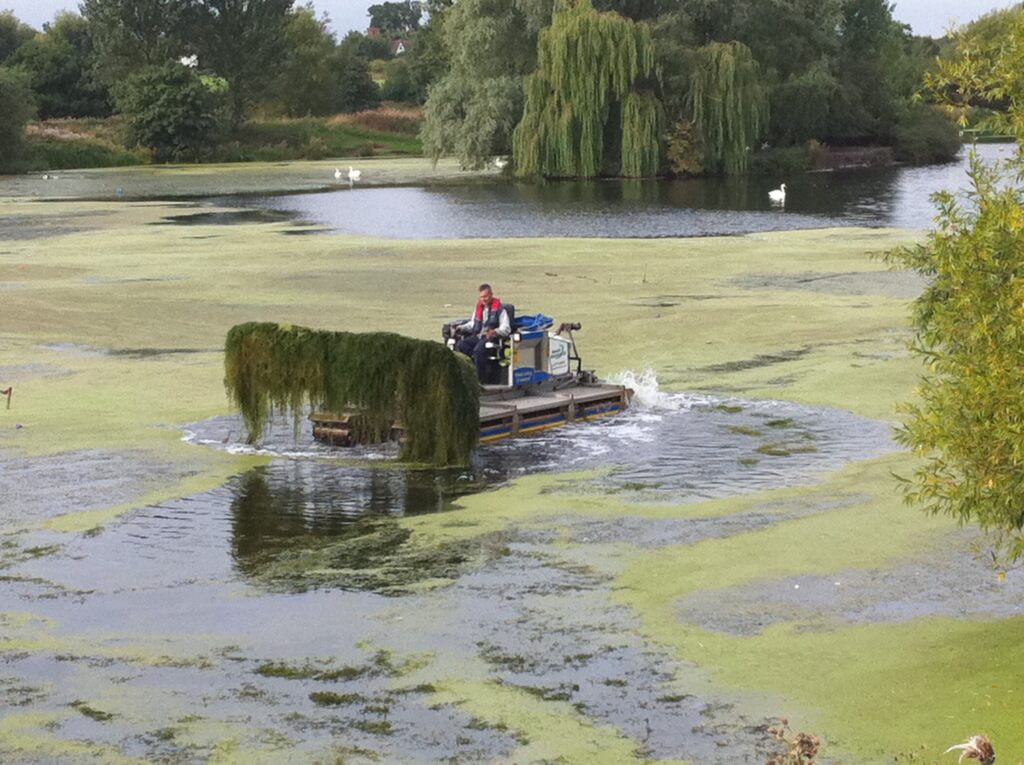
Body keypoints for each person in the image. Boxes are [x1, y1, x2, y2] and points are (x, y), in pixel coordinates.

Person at [455, 283, 511, 380]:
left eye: (485, 296)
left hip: (491, 338)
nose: (483, 299)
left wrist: (495, 332)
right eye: (481, 297)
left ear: (491, 295)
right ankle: (469, 373)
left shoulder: (500, 309)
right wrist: (461, 327)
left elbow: (506, 328)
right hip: (478, 336)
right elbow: (473, 324)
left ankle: (481, 379)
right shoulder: (479, 308)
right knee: (460, 345)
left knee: (478, 350)